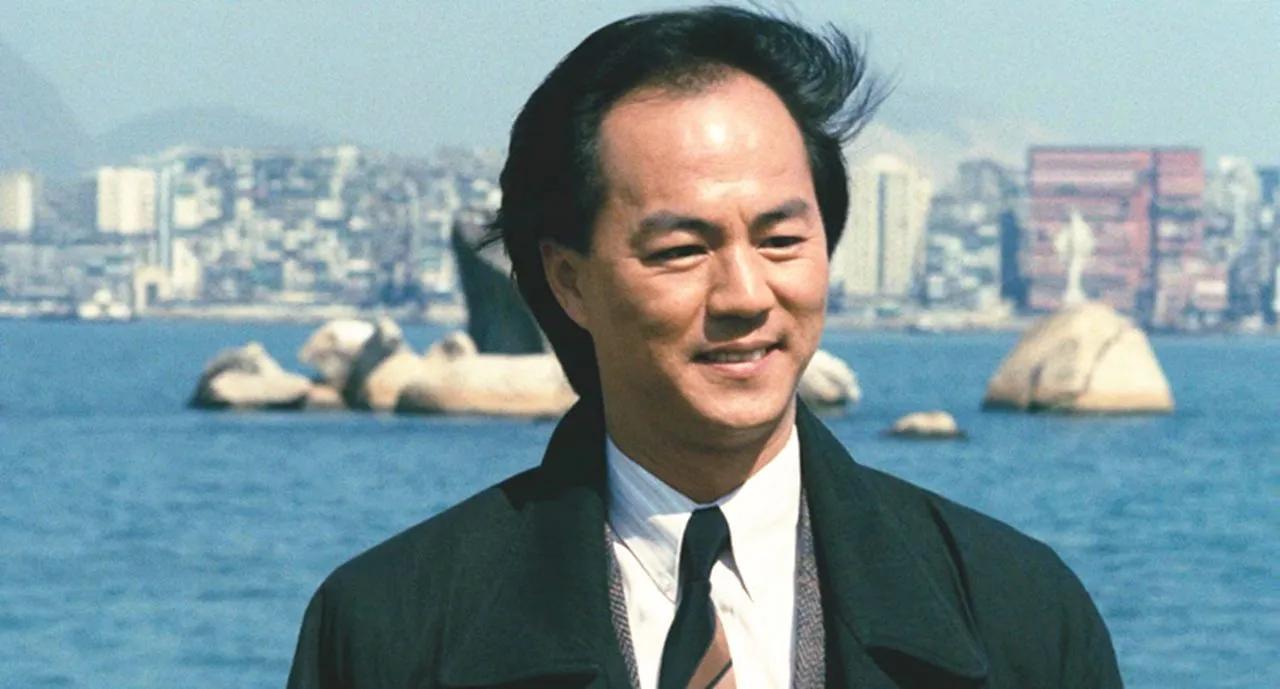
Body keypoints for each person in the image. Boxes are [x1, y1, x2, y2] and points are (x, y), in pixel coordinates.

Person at [286, 7, 1123, 688]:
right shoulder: (391, 631)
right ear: (570, 281)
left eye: (782, 240)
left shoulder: (1015, 614)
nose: (745, 295)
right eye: (682, 250)